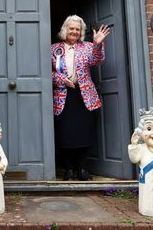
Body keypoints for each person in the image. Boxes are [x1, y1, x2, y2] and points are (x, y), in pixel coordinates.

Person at [51, 15, 110, 181]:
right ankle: (68, 169)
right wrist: (61, 79)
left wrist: (97, 44)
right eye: (72, 28)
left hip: (84, 95)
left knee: (85, 132)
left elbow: (97, 60)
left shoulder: (88, 47)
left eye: (78, 29)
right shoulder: (54, 49)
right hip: (63, 95)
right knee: (65, 133)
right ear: (65, 30)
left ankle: (82, 168)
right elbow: (46, 73)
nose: (75, 32)